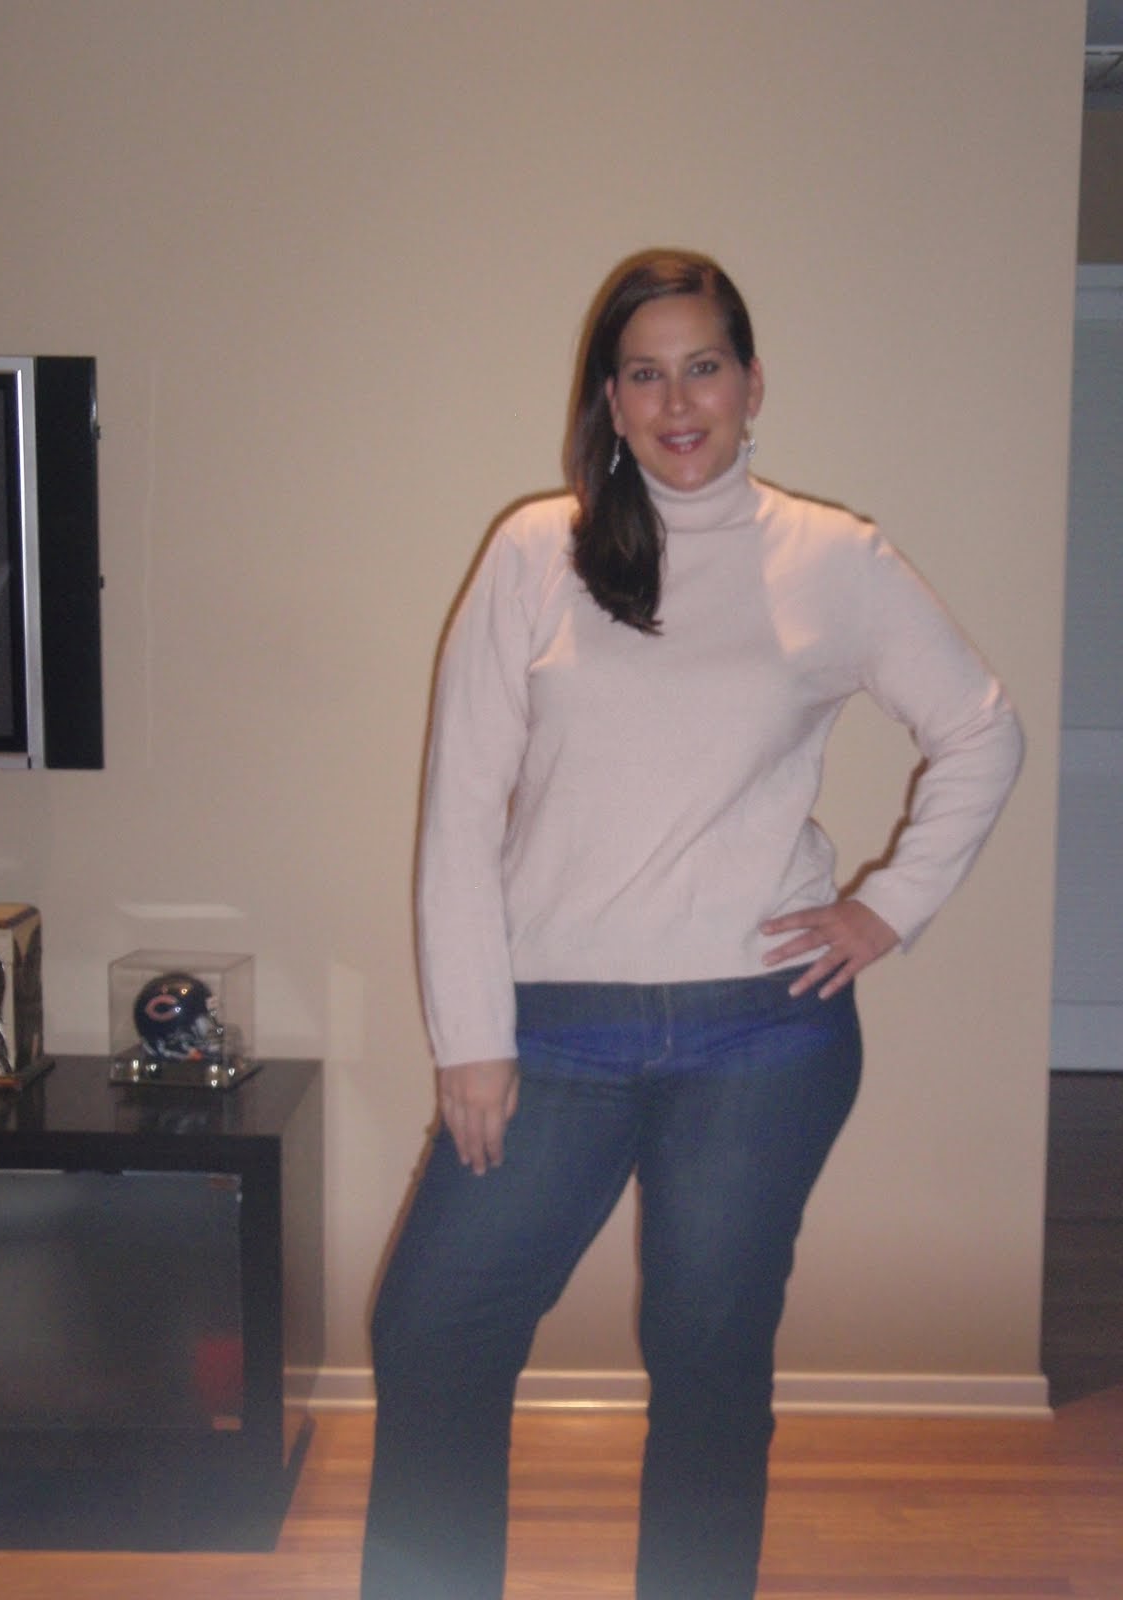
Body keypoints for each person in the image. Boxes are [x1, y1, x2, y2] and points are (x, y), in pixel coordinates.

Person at [360, 249, 1024, 1600]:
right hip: (552, 1033)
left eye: (704, 367)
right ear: (608, 399)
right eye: (645, 374)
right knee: (432, 1332)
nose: (678, 403)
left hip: (758, 1037)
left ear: (752, 382)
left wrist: (886, 907)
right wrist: (471, 1037)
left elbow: (982, 730)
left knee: (710, 1362)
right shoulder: (535, 553)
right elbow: (460, 810)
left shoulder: (832, 559)